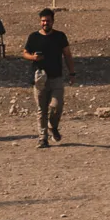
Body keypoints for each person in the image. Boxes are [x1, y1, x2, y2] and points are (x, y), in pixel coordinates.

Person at [21, 8, 74, 147]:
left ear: (53, 21)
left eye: (48, 21)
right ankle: (42, 137)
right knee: (41, 109)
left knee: (57, 106)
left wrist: (72, 72)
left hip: (56, 77)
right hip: (40, 78)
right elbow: (24, 53)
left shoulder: (60, 36)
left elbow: (67, 54)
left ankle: (53, 125)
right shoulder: (33, 37)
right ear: (40, 22)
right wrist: (33, 57)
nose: (45, 23)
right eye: (43, 21)